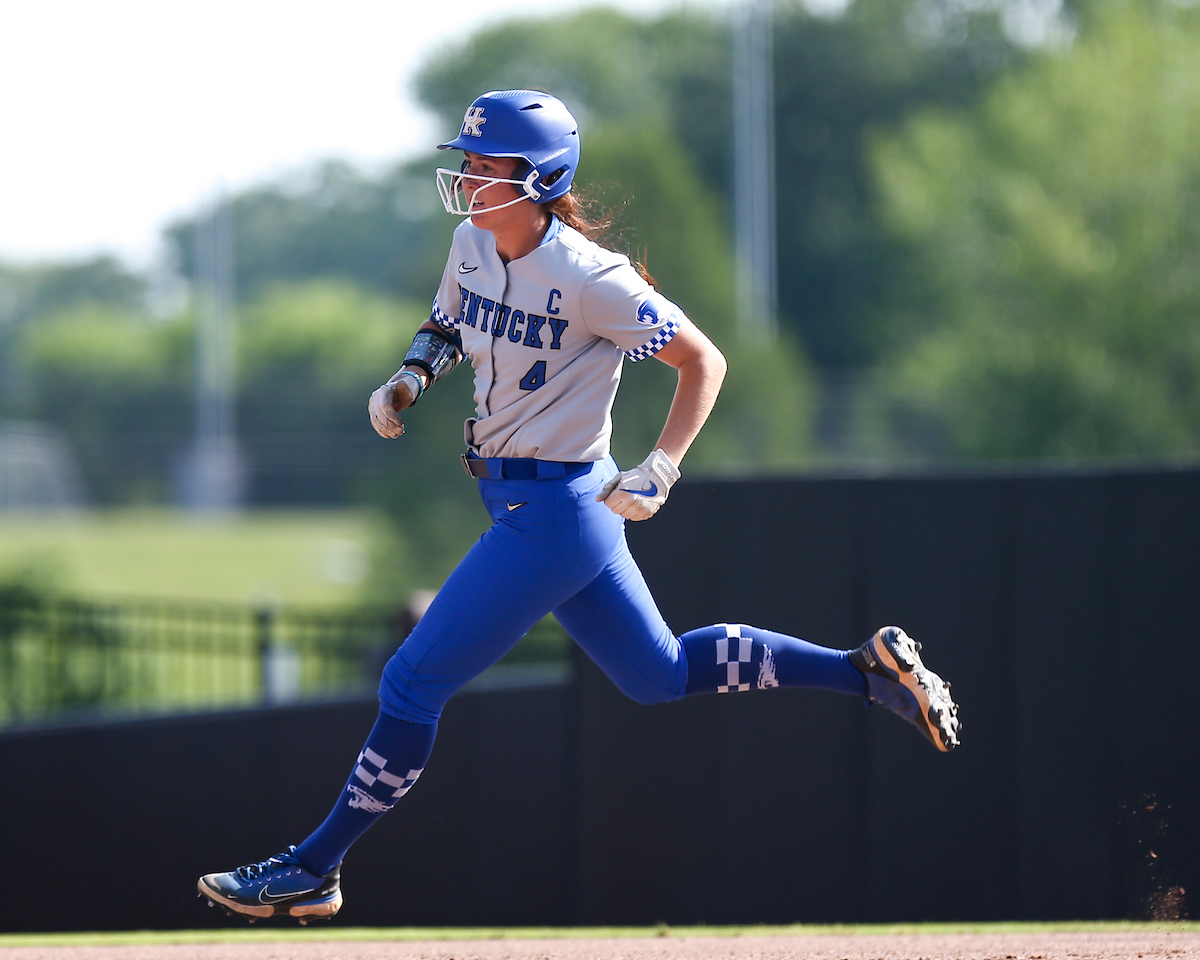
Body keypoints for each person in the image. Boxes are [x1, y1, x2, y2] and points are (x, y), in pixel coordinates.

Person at [197, 89, 960, 925]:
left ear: (541, 176)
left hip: (556, 511)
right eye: (471, 161)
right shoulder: (471, 240)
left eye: (489, 167)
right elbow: (448, 323)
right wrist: (410, 378)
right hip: (531, 506)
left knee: (410, 682)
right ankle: (863, 671)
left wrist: (662, 465)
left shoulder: (591, 276)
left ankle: (315, 867)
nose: (470, 177)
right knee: (657, 675)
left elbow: (704, 363)